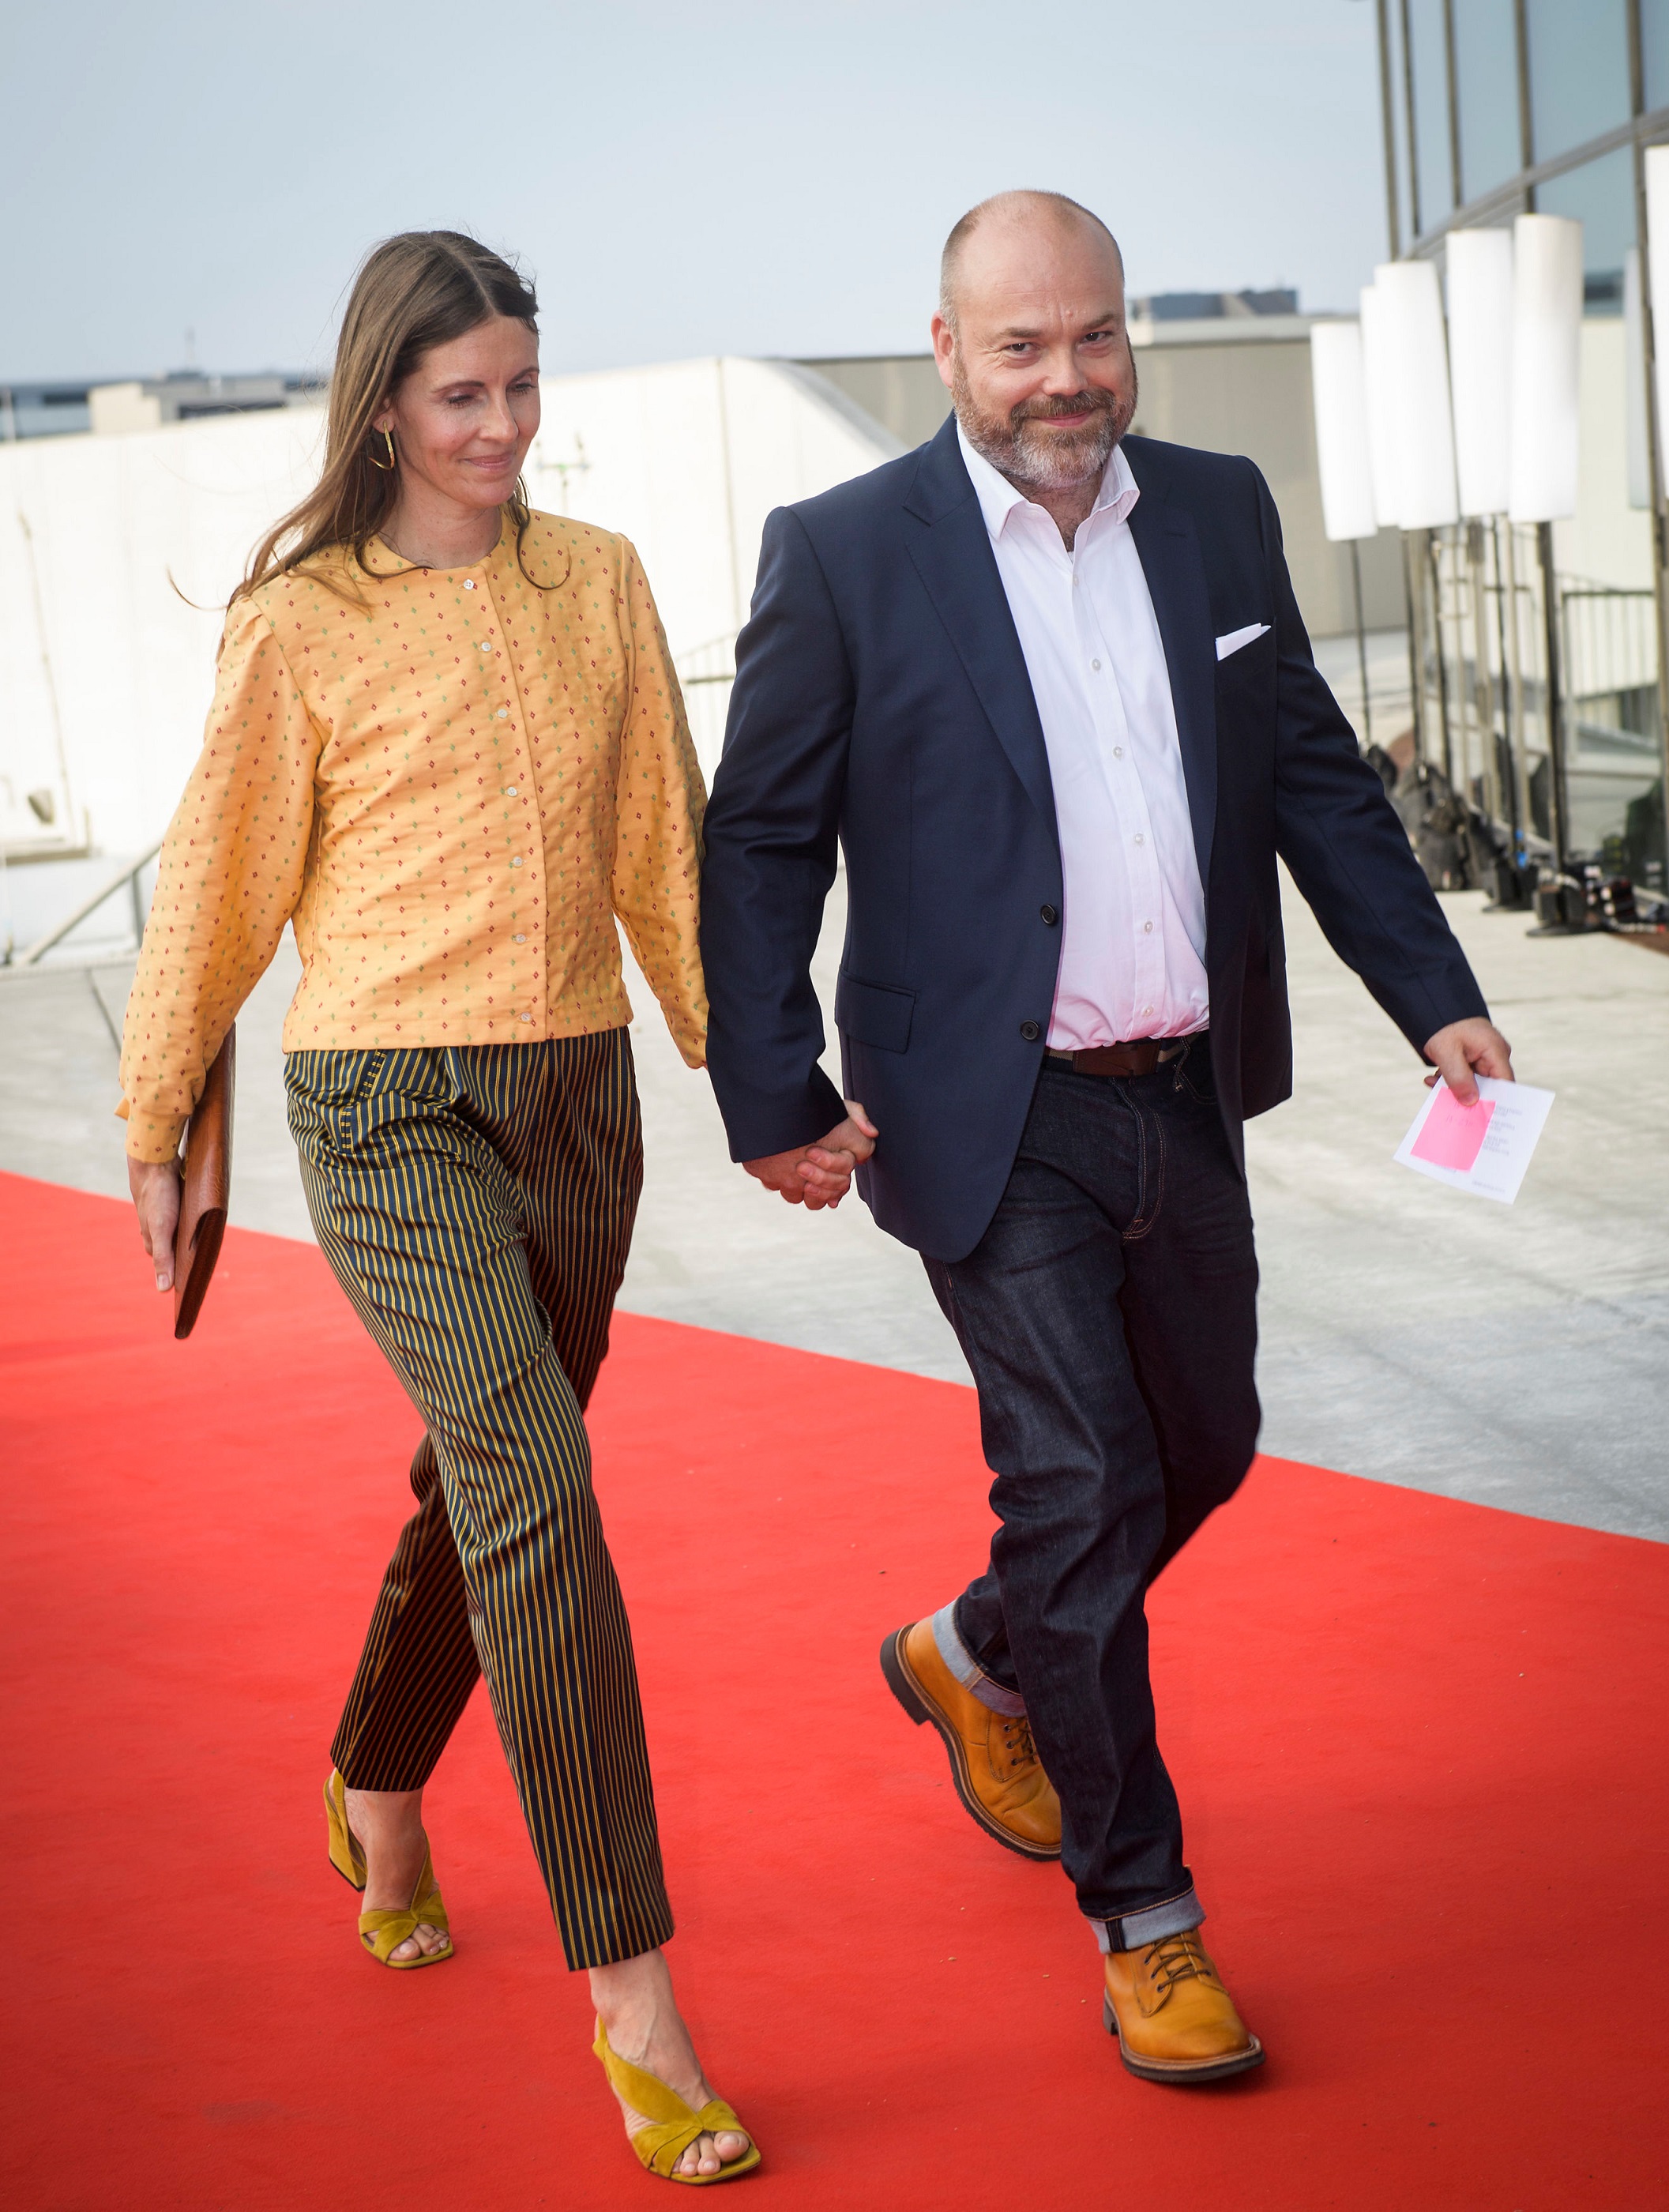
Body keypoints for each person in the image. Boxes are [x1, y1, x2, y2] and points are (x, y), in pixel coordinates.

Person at [698, 190, 1513, 2084]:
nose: (1066, 379)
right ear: (945, 349)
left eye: (1095, 337)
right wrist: (776, 1087)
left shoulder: (1215, 506)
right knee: (1078, 1485)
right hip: (983, 1108)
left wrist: (1430, 987)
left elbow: (1307, 765)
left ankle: (977, 1649)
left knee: (1196, 1448)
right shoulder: (843, 554)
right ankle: (1148, 1923)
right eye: (1020, 345)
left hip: (1183, 1091)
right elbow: (758, 838)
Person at [120, 231, 757, 2184]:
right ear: (384, 401)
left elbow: (668, 843)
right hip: (383, 1110)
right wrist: (158, 1113)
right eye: (461, 394)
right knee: (540, 1489)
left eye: (521, 387)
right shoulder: (300, 620)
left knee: (487, 1481)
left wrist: (764, 1073)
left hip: (576, 1099)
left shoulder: (604, 587)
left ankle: (375, 1778)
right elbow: (215, 882)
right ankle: (634, 1993)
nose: (500, 428)